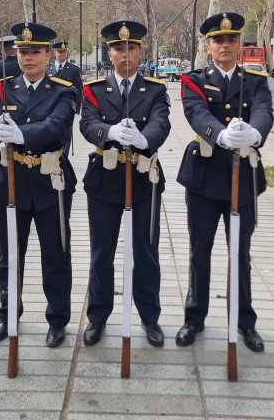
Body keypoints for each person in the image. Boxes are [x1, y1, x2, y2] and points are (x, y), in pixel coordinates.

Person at [175, 12, 274, 352]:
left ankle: (244, 321)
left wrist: (254, 133)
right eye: (218, 40)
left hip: (243, 179)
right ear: (208, 45)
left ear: (239, 45)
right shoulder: (194, 80)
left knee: (240, 254)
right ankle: (194, 317)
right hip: (204, 178)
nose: (225, 45)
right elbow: (196, 113)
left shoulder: (256, 81)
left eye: (231, 40)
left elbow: (263, 112)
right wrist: (222, 135)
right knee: (199, 251)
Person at [0, 22, 78, 348]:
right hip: (10, 181)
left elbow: (56, 126)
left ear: (49, 55)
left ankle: (58, 319)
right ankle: (8, 313)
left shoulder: (64, 91)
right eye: (22, 52)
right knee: (9, 255)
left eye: (35, 51)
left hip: (51, 182)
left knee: (55, 254)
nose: (27, 57)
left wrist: (20, 134)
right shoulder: (2, 89)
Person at [79, 21, 171, 347]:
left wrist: (145, 139)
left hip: (143, 180)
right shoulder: (92, 89)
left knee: (145, 252)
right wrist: (111, 132)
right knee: (101, 253)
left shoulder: (156, 90)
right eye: (118, 48)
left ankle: (149, 317)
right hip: (104, 180)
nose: (125, 54)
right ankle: (98, 316)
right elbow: (87, 124)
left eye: (131, 47)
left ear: (140, 51)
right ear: (109, 52)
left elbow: (162, 122)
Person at [46, 40, 84, 154]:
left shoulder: (73, 69)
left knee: (66, 134)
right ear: (54, 53)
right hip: (51, 107)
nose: (63, 54)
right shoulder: (47, 69)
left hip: (68, 106)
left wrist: (76, 108)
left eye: (64, 52)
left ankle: (64, 158)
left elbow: (79, 89)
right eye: (60, 52)